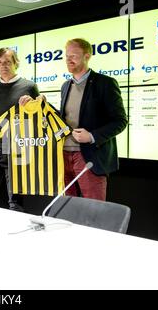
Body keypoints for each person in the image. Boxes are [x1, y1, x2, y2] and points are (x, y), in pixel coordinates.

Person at [59, 38, 127, 200]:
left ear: (87, 56)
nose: (69, 60)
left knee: (94, 210)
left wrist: (92, 136)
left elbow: (120, 121)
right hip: (63, 156)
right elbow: (66, 119)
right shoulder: (65, 86)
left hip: (89, 157)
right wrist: (42, 106)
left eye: (74, 55)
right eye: (67, 56)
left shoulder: (105, 83)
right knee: (67, 208)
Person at [0, 47, 39, 211]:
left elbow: (39, 118)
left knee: (15, 203)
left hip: (16, 152)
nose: (3, 66)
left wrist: (36, 105)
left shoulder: (29, 86)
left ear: (16, 63)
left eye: (7, 62)